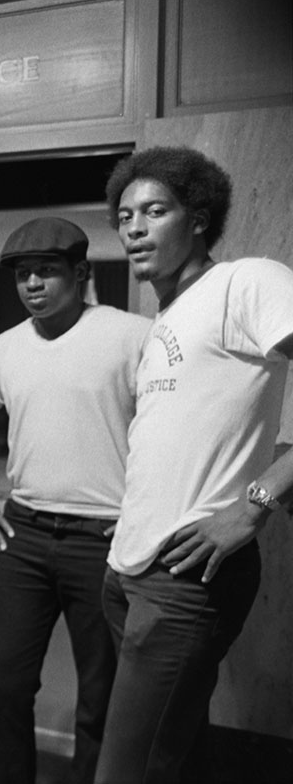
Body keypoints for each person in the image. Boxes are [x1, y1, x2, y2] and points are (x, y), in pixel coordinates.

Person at [96, 146, 293, 784]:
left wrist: (256, 502)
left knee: (127, 771)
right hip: (128, 568)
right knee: (173, 756)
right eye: (124, 215)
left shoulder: (245, 281)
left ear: (199, 217)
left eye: (155, 210)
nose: (134, 228)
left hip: (186, 579)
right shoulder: (164, 321)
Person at [0, 218, 150, 784]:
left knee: (102, 692)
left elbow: (170, 427)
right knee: (3, 683)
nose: (32, 283)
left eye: (47, 270)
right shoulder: (5, 349)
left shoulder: (131, 335)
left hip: (106, 538)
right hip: (24, 535)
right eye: (22, 274)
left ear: (82, 273)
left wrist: (145, 511)